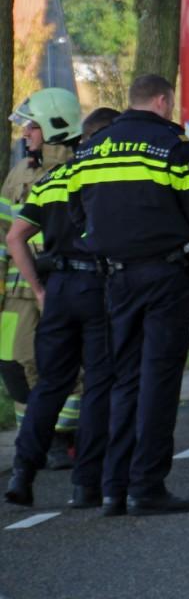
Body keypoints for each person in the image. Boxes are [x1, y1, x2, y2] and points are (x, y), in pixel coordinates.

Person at [69, 75, 189, 516]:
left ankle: (112, 489)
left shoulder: (92, 147)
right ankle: (146, 486)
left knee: (123, 378)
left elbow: (77, 212)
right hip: (164, 275)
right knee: (159, 378)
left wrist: (104, 242)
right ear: (162, 100)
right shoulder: (171, 145)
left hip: (115, 277)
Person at [4, 107, 122, 508]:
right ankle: (86, 484)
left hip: (58, 291)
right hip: (98, 287)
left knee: (50, 385)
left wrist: (38, 289)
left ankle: (22, 474)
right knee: (98, 385)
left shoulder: (52, 179)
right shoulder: (109, 178)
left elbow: (15, 237)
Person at [0, 88, 86, 469]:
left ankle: (66, 436)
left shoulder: (79, 170)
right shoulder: (20, 173)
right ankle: (36, 435)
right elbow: (4, 232)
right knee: (14, 364)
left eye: (32, 127)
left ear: (55, 127)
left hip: (61, 286)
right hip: (17, 294)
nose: (25, 134)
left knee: (66, 364)